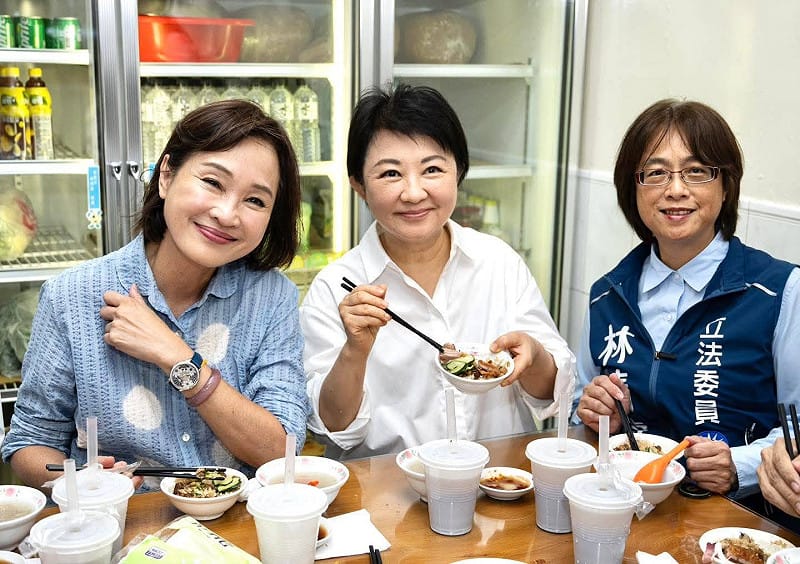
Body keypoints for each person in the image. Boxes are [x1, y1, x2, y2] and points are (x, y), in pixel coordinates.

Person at [1, 99, 310, 491]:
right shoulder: (72, 296)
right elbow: (29, 443)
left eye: (255, 200)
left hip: (236, 530)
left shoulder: (272, 298)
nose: (228, 214)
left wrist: (176, 355)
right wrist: (81, 481)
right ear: (166, 176)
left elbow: (280, 451)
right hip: (119, 525)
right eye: (213, 183)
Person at [300, 83, 575, 460]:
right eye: (391, 174)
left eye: (432, 169)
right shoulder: (334, 288)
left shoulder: (499, 262)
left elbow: (551, 393)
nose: (414, 193)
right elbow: (333, 425)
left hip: (500, 482)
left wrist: (535, 356)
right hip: (392, 491)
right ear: (359, 187)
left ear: (458, 172)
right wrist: (355, 350)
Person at [574, 98, 800, 500]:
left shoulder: (780, 291)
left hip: (737, 523)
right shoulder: (606, 295)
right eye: (656, 173)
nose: (675, 190)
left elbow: (797, 428)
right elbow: (579, 401)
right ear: (634, 188)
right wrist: (593, 411)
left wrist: (738, 465)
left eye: (696, 172)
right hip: (624, 504)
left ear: (726, 184)